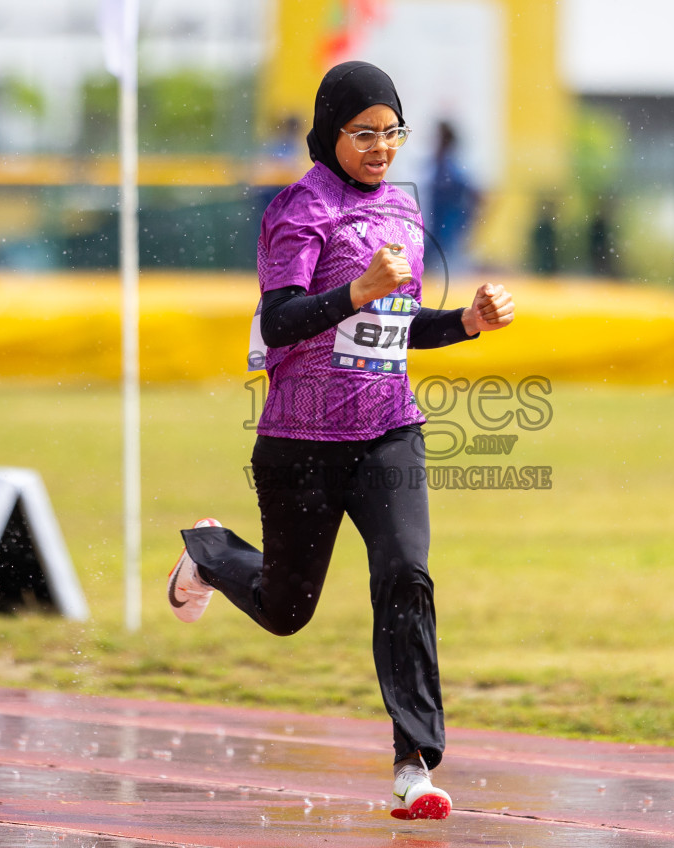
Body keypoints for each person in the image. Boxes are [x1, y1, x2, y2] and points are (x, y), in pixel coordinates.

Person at [166, 62, 515, 821]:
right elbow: (281, 318)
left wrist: (466, 324)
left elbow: (402, 326)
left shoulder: (400, 212)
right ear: (329, 134)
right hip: (300, 441)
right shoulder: (300, 210)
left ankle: (414, 764)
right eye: (365, 134)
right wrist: (356, 289)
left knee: (406, 576)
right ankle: (209, 549)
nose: (381, 147)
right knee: (287, 610)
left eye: (393, 132)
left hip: (390, 430)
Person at [425, 120, 478, 274]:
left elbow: (475, 195)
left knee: (446, 279)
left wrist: (467, 223)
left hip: (447, 237)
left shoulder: (450, 168)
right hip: (437, 235)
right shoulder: (439, 167)